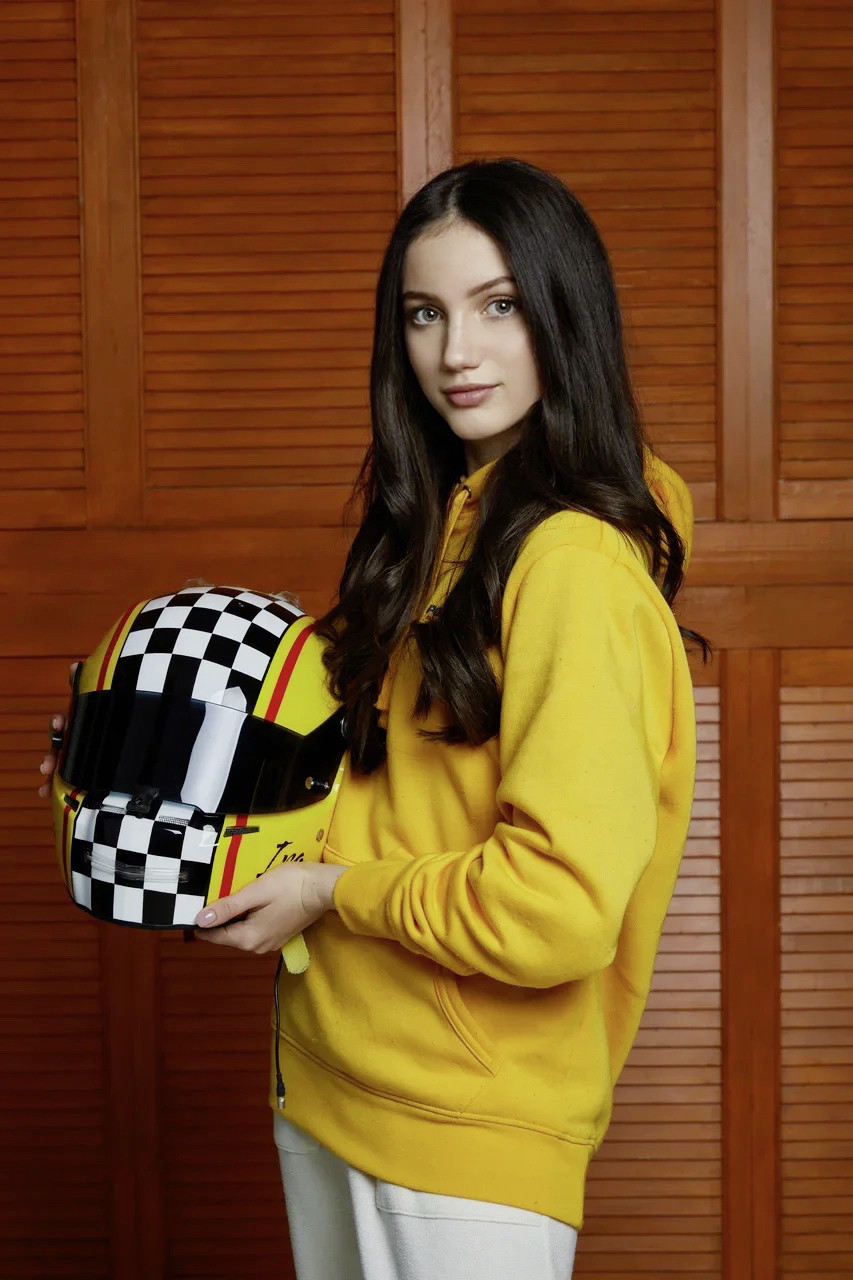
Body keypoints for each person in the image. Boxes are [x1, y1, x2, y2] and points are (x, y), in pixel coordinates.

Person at [42, 159, 707, 1280]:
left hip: (464, 1131)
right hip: (332, 1081)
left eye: (499, 305)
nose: (457, 353)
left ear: (565, 313)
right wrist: (131, 764)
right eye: (424, 313)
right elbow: (347, 784)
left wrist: (328, 893)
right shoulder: (435, 532)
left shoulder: (573, 567)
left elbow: (558, 909)